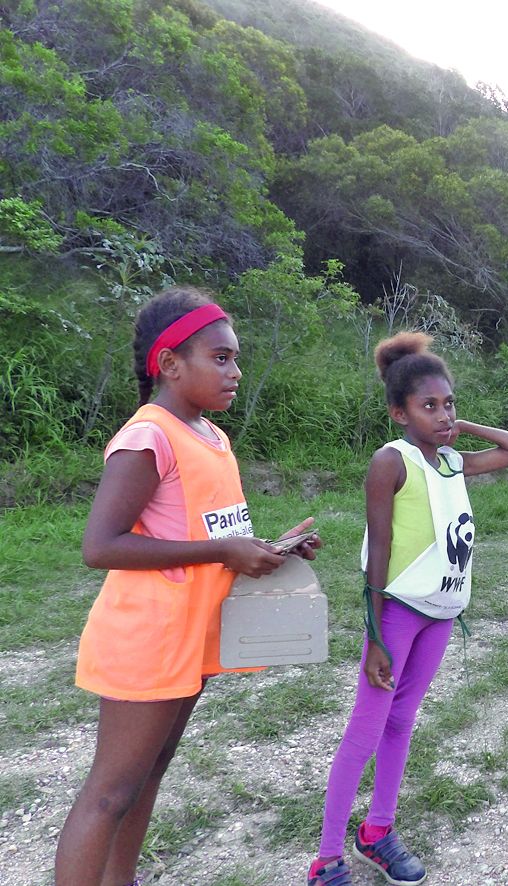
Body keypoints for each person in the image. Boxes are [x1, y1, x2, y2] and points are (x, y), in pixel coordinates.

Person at [56, 286, 321, 886]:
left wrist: (265, 550)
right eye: (220, 358)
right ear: (170, 364)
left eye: (235, 358)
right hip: (148, 638)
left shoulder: (212, 437)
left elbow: (210, 532)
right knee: (110, 791)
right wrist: (223, 549)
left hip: (193, 635)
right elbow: (101, 545)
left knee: (150, 773)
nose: (236, 371)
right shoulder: (149, 435)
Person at [308, 332, 508, 886]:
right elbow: (379, 548)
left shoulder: (453, 460)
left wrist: (467, 426)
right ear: (398, 413)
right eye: (428, 406)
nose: (442, 415)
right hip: (399, 613)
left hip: (440, 612)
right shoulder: (394, 460)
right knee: (365, 730)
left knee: (402, 721)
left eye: (448, 403)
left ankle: (377, 831)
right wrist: (377, 634)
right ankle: (327, 858)